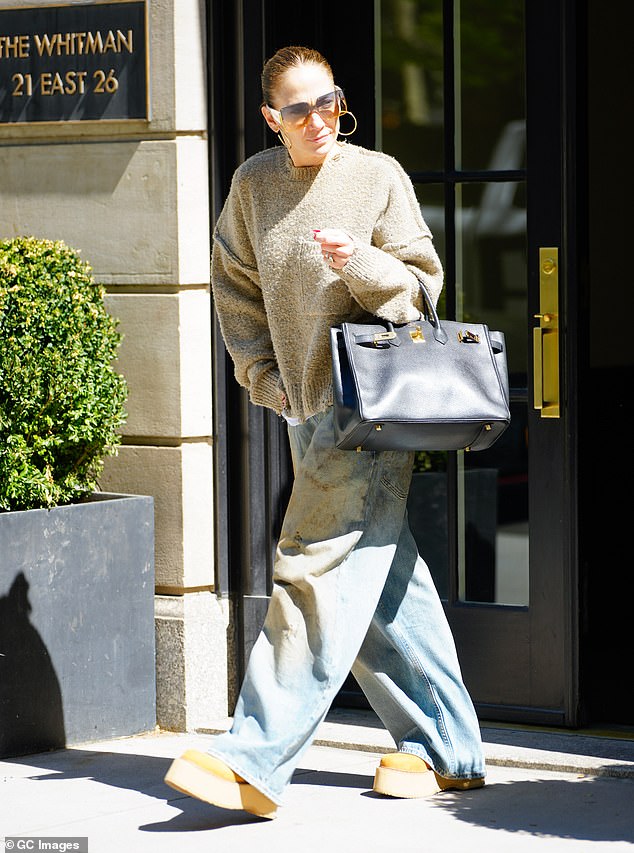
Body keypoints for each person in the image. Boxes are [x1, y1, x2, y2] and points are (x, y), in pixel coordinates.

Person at [164, 45, 485, 820]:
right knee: (377, 582)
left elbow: (421, 293)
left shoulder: (377, 176)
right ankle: (450, 746)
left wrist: (362, 263)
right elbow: (235, 292)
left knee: (311, 564)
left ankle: (253, 755)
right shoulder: (252, 185)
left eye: (329, 102)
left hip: (370, 408)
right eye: (300, 109)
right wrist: (265, 382)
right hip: (303, 410)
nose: (320, 120)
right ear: (272, 118)